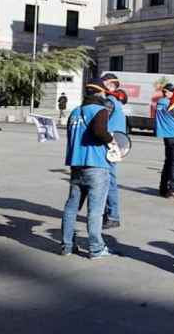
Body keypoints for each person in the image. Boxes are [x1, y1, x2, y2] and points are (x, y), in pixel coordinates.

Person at [60, 81, 116, 259]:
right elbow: (99, 132)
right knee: (95, 210)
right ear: (99, 94)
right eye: (105, 94)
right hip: (96, 166)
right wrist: (111, 139)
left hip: (76, 165)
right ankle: (96, 248)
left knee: (71, 207)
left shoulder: (75, 112)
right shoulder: (100, 111)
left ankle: (67, 245)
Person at [101, 73, 126, 230]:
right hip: (115, 142)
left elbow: (100, 119)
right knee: (108, 178)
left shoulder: (109, 102)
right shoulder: (115, 101)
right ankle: (109, 214)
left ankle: (112, 216)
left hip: (110, 143)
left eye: (104, 83)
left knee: (108, 180)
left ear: (111, 85)